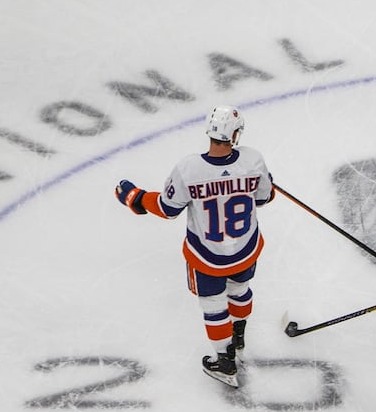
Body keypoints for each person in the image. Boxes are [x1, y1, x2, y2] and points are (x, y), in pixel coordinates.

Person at [114, 104, 275, 388]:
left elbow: (167, 208)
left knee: (214, 307)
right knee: (240, 290)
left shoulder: (189, 168)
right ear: (235, 134)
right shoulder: (253, 159)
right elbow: (264, 198)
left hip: (207, 257)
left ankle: (225, 363)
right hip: (245, 249)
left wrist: (136, 197)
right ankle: (238, 336)